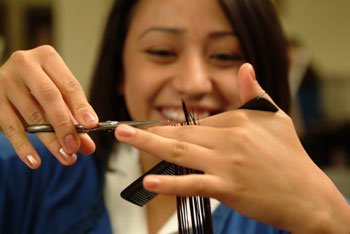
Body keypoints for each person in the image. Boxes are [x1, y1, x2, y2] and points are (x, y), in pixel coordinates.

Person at [0, 0, 349, 233]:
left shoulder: (308, 213)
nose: (193, 83)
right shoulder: (30, 172)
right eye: (162, 52)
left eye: (226, 56)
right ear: (120, 70)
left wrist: (332, 219)